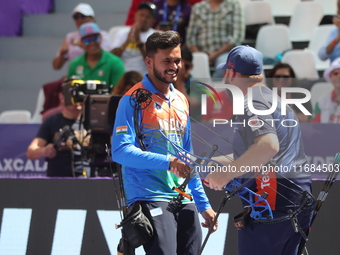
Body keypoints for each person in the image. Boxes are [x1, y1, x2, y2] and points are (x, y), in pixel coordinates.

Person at [111, 30, 217, 255]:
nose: (174, 66)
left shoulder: (180, 99)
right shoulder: (132, 99)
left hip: (182, 196)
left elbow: (188, 157)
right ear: (149, 61)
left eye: (177, 60)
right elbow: (120, 151)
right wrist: (168, 161)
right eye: (166, 61)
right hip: (149, 196)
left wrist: (203, 203)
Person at [201, 45, 313, 255]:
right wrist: (203, 164)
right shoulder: (273, 99)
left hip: (272, 204)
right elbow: (256, 157)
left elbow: (268, 146)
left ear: (231, 73)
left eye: (226, 71)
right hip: (292, 202)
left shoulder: (253, 101)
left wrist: (224, 174)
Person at [26, 91, 90, 177]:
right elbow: (31, 152)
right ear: (62, 98)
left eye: (80, 96)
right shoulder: (52, 121)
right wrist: (44, 151)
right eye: (73, 96)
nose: (76, 100)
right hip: (59, 180)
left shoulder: (93, 121)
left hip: (89, 179)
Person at [186, 0, 245, 78]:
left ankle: (214, 89)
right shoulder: (198, 7)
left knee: (224, 66)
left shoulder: (233, 5)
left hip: (226, 52)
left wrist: (217, 53)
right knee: (186, 67)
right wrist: (199, 55)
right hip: (201, 53)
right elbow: (190, 38)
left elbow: (237, 37)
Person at [67, 22, 125, 91]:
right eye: (87, 40)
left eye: (95, 38)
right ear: (81, 42)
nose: (92, 43)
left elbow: (119, 92)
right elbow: (69, 90)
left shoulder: (115, 62)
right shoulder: (75, 64)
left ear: (101, 38)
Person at [52, 3, 111, 70]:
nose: (79, 20)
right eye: (76, 17)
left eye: (83, 16)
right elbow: (56, 66)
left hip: (99, 72)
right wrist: (62, 55)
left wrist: (81, 45)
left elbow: (107, 57)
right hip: (76, 74)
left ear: (92, 18)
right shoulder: (70, 37)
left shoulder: (103, 35)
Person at [111, 2, 156, 75]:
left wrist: (139, 42)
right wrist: (127, 41)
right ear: (135, 15)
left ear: (153, 20)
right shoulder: (122, 32)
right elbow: (112, 58)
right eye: (141, 15)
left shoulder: (154, 35)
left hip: (143, 76)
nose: (143, 19)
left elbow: (153, 63)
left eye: (148, 17)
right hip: (123, 75)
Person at [311, 57, 340, 123]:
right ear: (330, 77)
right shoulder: (322, 101)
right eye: (335, 74)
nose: (338, 76)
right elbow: (315, 125)